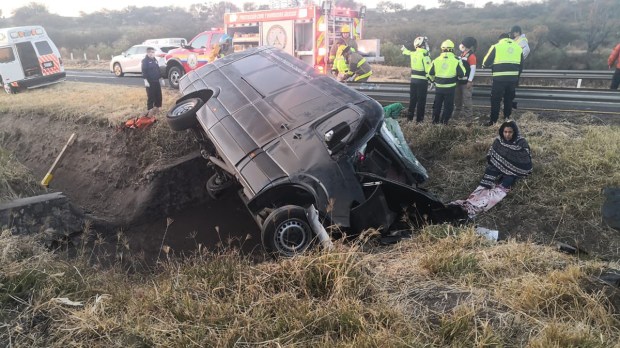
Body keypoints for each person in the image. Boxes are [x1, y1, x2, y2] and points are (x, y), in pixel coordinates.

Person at [450, 120, 532, 218]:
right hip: (497, 167)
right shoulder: (499, 140)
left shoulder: (521, 142)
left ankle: (479, 206)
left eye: (510, 132)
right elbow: (492, 154)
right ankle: (470, 203)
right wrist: (499, 164)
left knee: (502, 187)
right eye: (505, 132)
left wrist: (510, 168)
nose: (507, 134)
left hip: (513, 171)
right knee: (486, 182)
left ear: (515, 132)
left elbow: (525, 160)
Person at [482, 33, 523, 126]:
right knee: (508, 100)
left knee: (495, 100)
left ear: (500, 39)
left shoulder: (496, 46)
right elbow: (521, 66)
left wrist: (485, 66)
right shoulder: (518, 47)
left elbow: (486, 62)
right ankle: (507, 119)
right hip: (513, 79)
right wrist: (516, 78)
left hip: (499, 79)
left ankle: (493, 121)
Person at [428, 39, 466, 124]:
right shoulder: (456, 60)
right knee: (448, 107)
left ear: (442, 49)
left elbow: (430, 73)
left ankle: (434, 123)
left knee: (437, 106)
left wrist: (433, 81)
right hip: (450, 88)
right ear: (452, 49)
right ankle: (443, 123)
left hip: (439, 88)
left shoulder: (436, 60)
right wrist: (460, 62)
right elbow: (462, 74)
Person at [401, 36, 432, 122]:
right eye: (424, 43)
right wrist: (432, 80)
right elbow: (428, 70)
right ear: (420, 45)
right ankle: (419, 121)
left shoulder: (413, 53)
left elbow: (406, 52)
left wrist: (404, 47)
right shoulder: (425, 54)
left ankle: (409, 118)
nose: (426, 45)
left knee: (412, 100)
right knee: (421, 102)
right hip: (422, 82)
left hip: (413, 81)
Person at [454, 37, 477, 120]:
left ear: (466, 45)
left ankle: (469, 119)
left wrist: (470, 81)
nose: (461, 45)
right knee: (457, 101)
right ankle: (455, 118)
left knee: (467, 101)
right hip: (459, 81)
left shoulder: (471, 56)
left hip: (466, 82)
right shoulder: (462, 54)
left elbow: (473, 69)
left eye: (463, 44)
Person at [510, 26, 529, 110]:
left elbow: (527, 50)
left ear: (517, 32)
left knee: (512, 85)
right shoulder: (515, 40)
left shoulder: (522, 40)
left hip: (516, 65)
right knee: (510, 85)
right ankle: (510, 102)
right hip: (513, 65)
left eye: (514, 32)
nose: (513, 34)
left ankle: (511, 102)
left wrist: (518, 59)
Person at [141, 47, 163, 116]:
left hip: (156, 81)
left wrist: (161, 78)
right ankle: (150, 109)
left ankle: (158, 108)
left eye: (152, 52)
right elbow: (144, 71)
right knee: (151, 96)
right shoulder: (145, 61)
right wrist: (145, 80)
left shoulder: (155, 60)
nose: (151, 53)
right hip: (149, 82)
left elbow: (158, 69)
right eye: (149, 52)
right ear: (147, 53)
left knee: (158, 95)